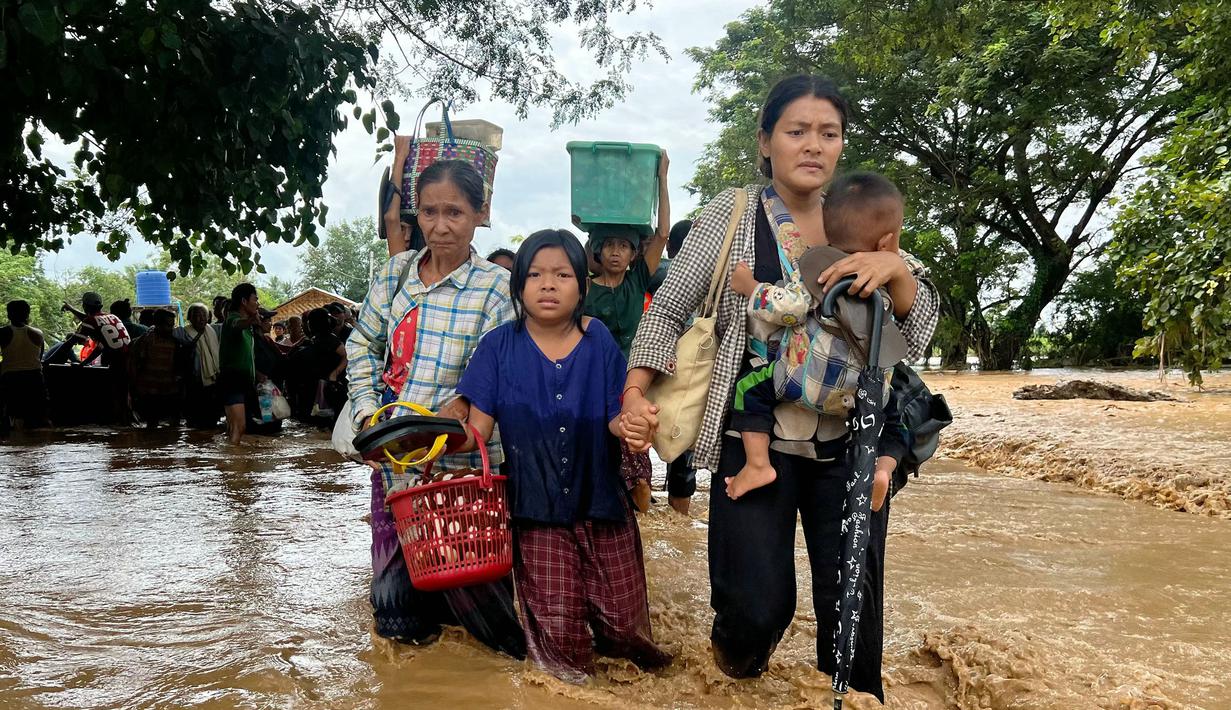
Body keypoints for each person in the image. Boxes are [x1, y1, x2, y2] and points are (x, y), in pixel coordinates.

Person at [618, 75, 940, 702]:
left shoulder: (865, 212)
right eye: (797, 132)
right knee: (755, 610)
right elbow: (668, 310)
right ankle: (737, 674)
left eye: (829, 133)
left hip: (852, 439)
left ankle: (851, 696)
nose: (813, 145)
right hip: (753, 428)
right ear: (766, 141)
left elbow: (917, 330)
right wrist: (635, 392)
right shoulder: (730, 214)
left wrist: (896, 272)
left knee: (853, 612)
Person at [455, 230, 671, 682]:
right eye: (534, 274)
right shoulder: (496, 347)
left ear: (582, 286)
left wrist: (632, 425)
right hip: (536, 513)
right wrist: (427, 439)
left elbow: (616, 416)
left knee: (625, 635)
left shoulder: (600, 342)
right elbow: (478, 431)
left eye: (562, 275)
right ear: (518, 286)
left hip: (603, 504)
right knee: (560, 649)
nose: (548, 284)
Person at [347, 159, 524, 657]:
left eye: (455, 212)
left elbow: (492, 370)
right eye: (428, 211)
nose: (440, 225)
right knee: (396, 618)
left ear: (479, 214)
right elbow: (362, 344)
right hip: (393, 464)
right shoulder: (395, 275)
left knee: (488, 620)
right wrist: (366, 415)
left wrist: (462, 406)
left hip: (461, 472)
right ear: (415, 214)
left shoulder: (494, 288)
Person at [726, 171, 911, 502]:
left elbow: (790, 308)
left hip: (804, 383)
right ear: (885, 243)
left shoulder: (819, 271)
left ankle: (757, 464)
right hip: (866, 395)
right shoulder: (883, 281)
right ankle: (882, 470)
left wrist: (751, 287)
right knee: (894, 416)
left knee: (747, 390)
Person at [583, 149, 671, 514]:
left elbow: (663, 232)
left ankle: (642, 522)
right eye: (609, 246)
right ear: (598, 251)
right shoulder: (584, 287)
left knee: (638, 454)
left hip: (636, 377)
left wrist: (661, 178)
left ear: (635, 253)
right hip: (596, 379)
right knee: (599, 451)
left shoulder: (638, 279)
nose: (616, 253)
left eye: (624, 246)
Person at [662, 218, 697, 515]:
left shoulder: (663, 272)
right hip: (694, 375)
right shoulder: (714, 273)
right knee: (683, 450)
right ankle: (680, 515)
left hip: (659, 370)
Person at [62, 292, 132, 423]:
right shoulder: (112, 317)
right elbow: (100, 346)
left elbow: (69, 344)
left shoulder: (90, 321)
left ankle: (122, 431)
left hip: (118, 364)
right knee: (125, 398)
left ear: (84, 306)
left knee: (118, 398)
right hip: (131, 361)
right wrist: (85, 363)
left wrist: (47, 362)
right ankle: (128, 432)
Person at [218, 283, 261, 444]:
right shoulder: (232, 320)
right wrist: (251, 320)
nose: (257, 303)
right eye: (255, 299)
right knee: (239, 427)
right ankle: (234, 465)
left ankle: (232, 461)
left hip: (243, 380)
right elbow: (238, 325)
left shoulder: (246, 326)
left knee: (236, 427)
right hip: (232, 379)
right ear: (244, 301)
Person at [128, 309, 183, 428]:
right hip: (150, 392)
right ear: (158, 324)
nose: (172, 328)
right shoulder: (145, 341)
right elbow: (134, 365)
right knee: (153, 424)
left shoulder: (175, 340)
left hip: (169, 390)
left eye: (172, 325)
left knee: (172, 425)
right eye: (169, 325)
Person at [0, 300, 49, 430]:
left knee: (12, 418)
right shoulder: (38, 333)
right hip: (35, 377)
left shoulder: (2, 332)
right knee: (37, 418)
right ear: (27, 314)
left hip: (11, 378)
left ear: (9, 315)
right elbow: (39, 357)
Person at [174, 303, 222, 429]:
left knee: (211, 420)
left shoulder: (214, 330)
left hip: (212, 381)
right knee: (194, 420)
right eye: (197, 316)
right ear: (190, 318)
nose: (201, 319)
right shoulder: (183, 332)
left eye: (203, 315)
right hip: (193, 382)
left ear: (208, 318)